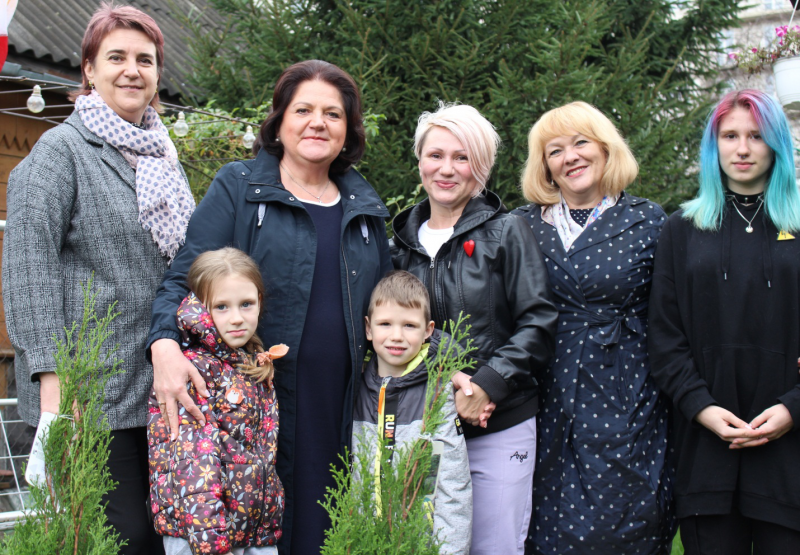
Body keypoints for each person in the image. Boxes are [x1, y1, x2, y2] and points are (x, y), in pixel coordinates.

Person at [148, 60, 392, 554]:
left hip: (337, 405)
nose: (318, 123)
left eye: (333, 114)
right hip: (248, 404)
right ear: (279, 122)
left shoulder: (365, 208)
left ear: (348, 130)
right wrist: (163, 344)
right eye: (303, 110)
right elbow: (184, 278)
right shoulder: (239, 187)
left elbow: (389, 307)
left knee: (325, 533)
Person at [2, 4, 194, 553]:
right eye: (117, 58)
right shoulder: (59, 152)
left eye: (145, 60)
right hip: (91, 395)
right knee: (120, 538)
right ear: (89, 69)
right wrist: (54, 384)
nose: (132, 70)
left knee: (165, 536)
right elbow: (27, 271)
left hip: (159, 386)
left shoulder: (162, 157)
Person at [390, 102, 557, 555]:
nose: (446, 169)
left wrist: (487, 385)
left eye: (461, 157)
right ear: (420, 161)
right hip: (425, 428)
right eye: (435, 155)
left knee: (495, 547)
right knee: (426, 545)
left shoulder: (507, 232)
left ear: (480, 168)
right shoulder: (399, 246)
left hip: (500, 425)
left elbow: (538, 322)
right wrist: (450, 379)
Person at [512, 101, 675, 555]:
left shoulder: (648, 220)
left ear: (605, 148)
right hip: (545, 390)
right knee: (543, 520)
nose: (570, 157)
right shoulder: (522, 225)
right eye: (555, 150)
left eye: (581, 143)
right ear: (545, 166)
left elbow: (675, 314)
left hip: (627, 388)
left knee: (623, 522)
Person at [648, 89, 800, 555]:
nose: (743, 148)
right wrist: (702, 408)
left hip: (790, 457)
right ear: (713, 145)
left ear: (777, 144)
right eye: (730, 136)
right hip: (706, 451)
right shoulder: (681, 229)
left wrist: (794, 408)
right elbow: (664, 336)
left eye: (756, 135)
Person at [148, 248, 284, 555]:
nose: (236, 318)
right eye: (221, 306)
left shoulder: (246, 363)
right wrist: (212, 545)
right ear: (200, 308)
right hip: (204, 536)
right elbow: (194, 465)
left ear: (259, 301)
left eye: (246, 304)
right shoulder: (195, 370)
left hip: (250, 529)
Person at [352, 270, 472, 555]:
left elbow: (453, 486)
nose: (396, 336)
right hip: (363, 541)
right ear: (368, 328)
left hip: (421, 544)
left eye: (409, 325)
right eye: (385, 324)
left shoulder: (437, 395)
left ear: (428, 330)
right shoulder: (354, 389)